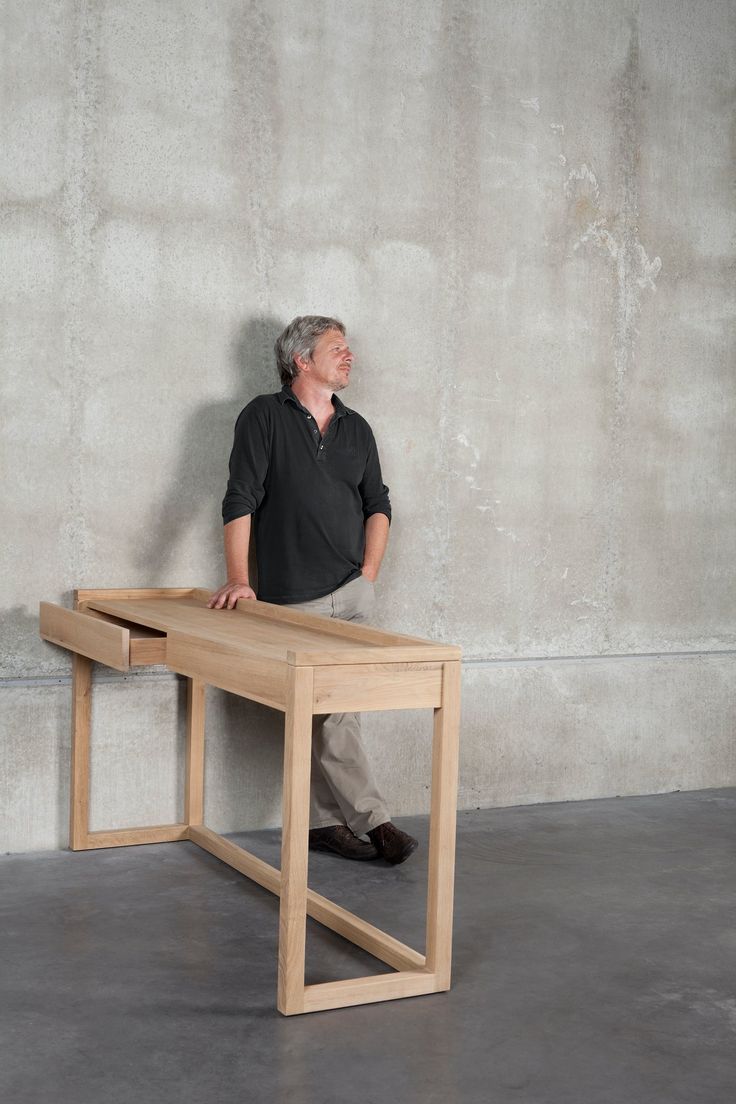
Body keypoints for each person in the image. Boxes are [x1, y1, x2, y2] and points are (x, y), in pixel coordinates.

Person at [207, 316, 418, 865]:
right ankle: (376, 820)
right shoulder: (262, 417)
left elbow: (379, 504)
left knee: (330, 711)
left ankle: (324, 825)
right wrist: (238, 578)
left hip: (352, 594)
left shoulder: (359, 429)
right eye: (336, 349)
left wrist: (369, 574)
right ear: (301, 360)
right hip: (292, 600)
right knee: (333, 713)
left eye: (349, 349)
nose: (349, 357)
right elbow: (240, 498)